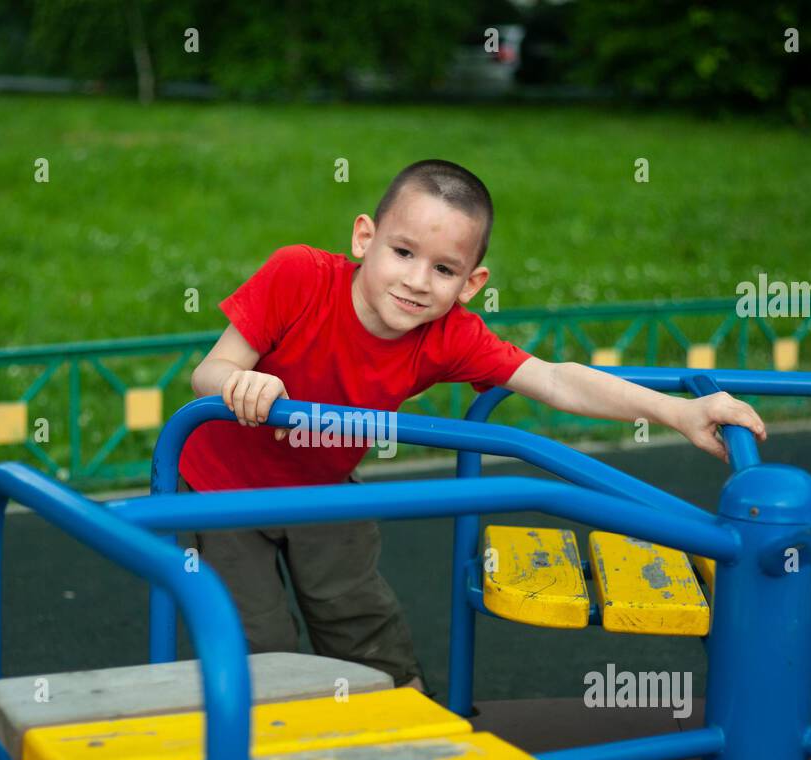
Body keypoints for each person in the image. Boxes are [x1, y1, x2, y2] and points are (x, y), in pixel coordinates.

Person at [180, 159, 766, 693]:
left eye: (443, 269)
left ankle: (403, 735)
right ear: (365, 238)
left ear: (471, 284)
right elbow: (210, 371)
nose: (416, 281)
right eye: (402, 253)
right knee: (256, 638)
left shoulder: (447, 333)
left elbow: (557, 380)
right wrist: (240, 383)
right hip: (223, 492)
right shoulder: (299, 277)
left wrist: (680, 411)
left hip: (324, 489)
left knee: (359, 620)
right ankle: (260, 759)